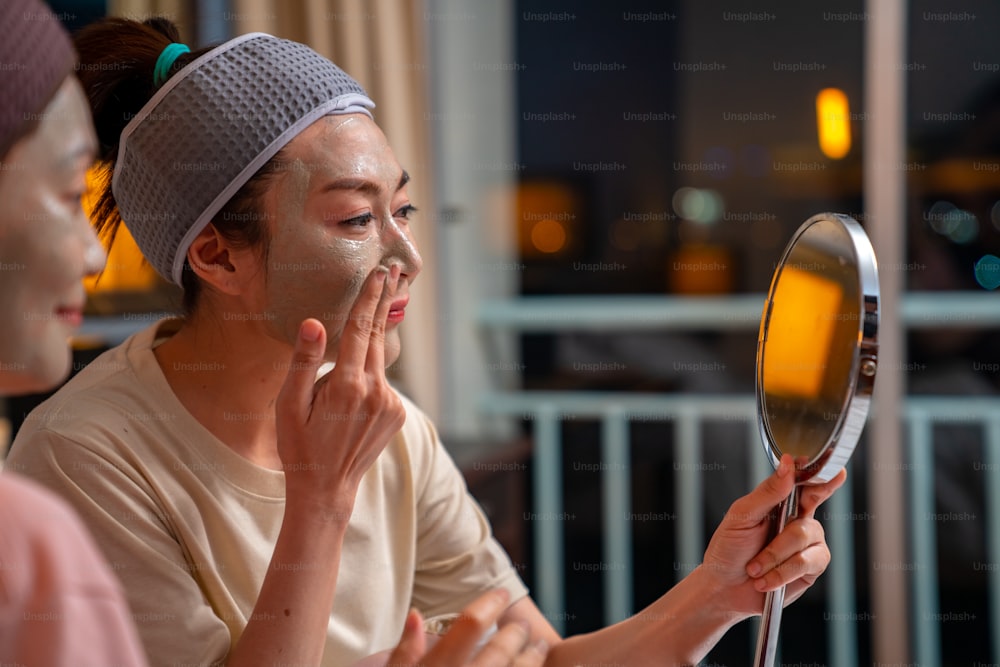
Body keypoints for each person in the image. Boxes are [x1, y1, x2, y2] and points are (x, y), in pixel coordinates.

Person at [8, 15, 845, 667]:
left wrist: (717, 594)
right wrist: (322, 497)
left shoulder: (392, 429)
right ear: (219, 255)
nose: (405, 255)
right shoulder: (85, 455)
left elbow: (541, 658)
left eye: (401, 209)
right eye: (356, 219)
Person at [0, 0, 148, 664]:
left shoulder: (399, 432)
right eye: (68, 194)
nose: (93, 256)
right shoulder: (27, 548)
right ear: (216, 253)